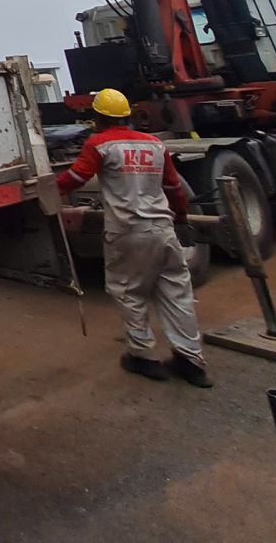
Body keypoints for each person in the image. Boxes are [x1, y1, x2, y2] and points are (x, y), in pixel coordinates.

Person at [56, 88, 212, 387]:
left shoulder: (99, 144)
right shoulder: (155, 144)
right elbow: (173, 187)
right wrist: (180, 218)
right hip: (164, 230)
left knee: (130, 292)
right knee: (177, 294)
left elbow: (75, 178)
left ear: (98, 117)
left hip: (128, 232)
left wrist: (46, 190)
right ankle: (191, 362)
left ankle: (143, 357)